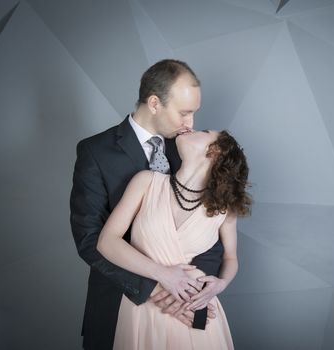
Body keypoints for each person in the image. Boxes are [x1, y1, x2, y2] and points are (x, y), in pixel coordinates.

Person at [70, 59, 225, 350]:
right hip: (120, 304)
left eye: (194, 113)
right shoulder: (94, 152)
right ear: (155, 103)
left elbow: (211, 230)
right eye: (184, 113)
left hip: (185, 311)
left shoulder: (191, 149)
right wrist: (156, 288)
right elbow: (89, 239)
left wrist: (196, 294)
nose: (190, 124)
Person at [97, 129, 251, 349]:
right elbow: (107, 241)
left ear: (215, 151)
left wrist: (221, 284)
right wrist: (163, 275)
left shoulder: (224, 209)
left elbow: (230, 257)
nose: (191, 127)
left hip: (193, 305)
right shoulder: (146, 182)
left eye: (204, 131)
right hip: (143, 308)